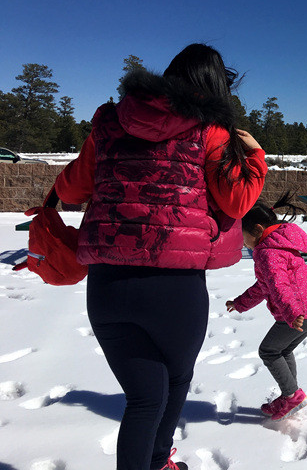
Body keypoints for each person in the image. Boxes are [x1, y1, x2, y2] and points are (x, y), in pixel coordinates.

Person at [54, 44, 268, 470]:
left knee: (144, 398)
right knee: (173, 383)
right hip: (175, 288)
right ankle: (158, 462)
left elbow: (70, 190)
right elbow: (237, 201)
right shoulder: (212, 132)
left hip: (108, 284)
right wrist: (256, 156)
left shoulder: (109, 123)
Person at [225, 191, 307, 421]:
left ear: (258, 230)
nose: (244, 244)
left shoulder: (266, 253)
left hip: (297, 312)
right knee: (283, 350)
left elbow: (279, 286)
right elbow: (264, 286)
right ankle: (290, 394)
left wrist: (291, 314)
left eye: (244, 239)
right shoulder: (281, 242)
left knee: (269, 351)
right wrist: (240, 303)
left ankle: (292, 396)